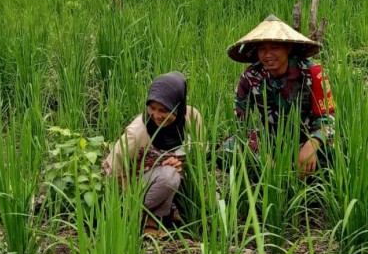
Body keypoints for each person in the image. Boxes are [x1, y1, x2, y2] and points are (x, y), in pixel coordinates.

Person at [227, 15, 335, 177]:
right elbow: (241, 124)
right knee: (230, 146)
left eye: (275, 47)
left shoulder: (313, 73)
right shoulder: (251, 76)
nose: (268, 55)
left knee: (332, 154)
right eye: (262, 49)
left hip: (306, 139)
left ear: (288, 48)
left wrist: (312, 144)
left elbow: (328, 119)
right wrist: (264, 154)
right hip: (271, 141)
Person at [103, 72, 203, 233]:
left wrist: (182, 163)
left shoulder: (192, 119)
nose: (156, 116)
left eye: (164, 110)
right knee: (170, 176)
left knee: (213, 201)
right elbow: (114, 172)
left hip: (169, 182)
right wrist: (133, 203)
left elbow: (199, 154)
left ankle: (169, 211)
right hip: (135, 186)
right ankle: (148, 218)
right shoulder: (136, 134)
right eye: (152, 108)